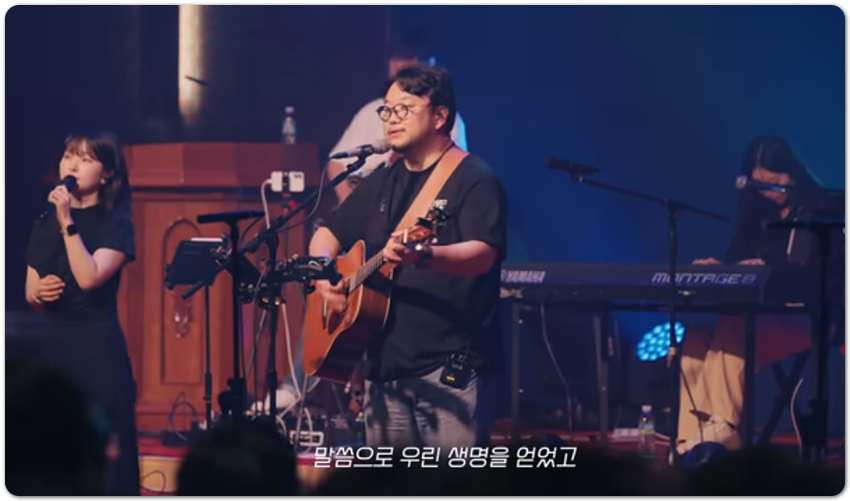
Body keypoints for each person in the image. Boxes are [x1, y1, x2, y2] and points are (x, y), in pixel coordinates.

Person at [308, 65, 507, 447]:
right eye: (387, 110)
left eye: (404, 109)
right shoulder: (382, 180)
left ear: (440, 116)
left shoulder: (474, 178)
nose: (391, 120)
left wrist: (427, 255)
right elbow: (327, 234)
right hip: (383, 369)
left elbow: (484, 253)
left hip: (449, 367)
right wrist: (323, 276)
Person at [677, 136, 844, 454]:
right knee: (697, 336)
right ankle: (692, 438)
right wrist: (721, 269)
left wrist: (768, 269)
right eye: (761, 185)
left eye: (776, 181)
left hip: (809, 317)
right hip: (763, 317)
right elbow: (737, 259)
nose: (770, 191)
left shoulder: (823, 209)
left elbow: (820, 277)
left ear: (792, 173)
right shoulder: (756, 215)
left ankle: (723, 429)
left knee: (735, 326)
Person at [24, 129, 140, 495]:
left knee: (104, 448)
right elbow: (30, 291)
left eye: (85, 159)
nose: (72, 165)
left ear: (107, 173)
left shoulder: (116, 223)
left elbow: (89, 278)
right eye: (68, 156)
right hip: (54, 346)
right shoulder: (44, 222)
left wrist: (67, 222)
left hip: (96, 344)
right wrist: (38, 292)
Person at [326, 30, 467, 205]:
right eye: (395, 59)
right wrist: (348, 202)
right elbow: (335, 163)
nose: (392, 119)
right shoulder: (370, 111)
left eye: (407, 59)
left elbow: (452, 173)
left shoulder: (440, 116)